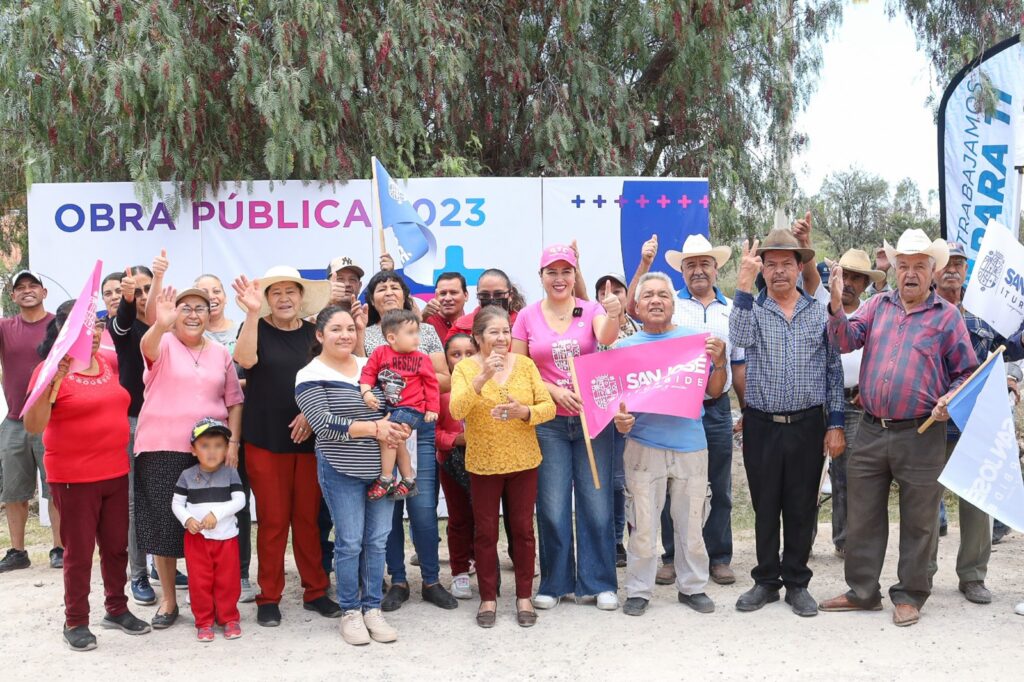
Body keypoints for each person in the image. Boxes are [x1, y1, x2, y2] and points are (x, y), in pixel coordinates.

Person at [820, 229, 978, 628]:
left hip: (923, 432)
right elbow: (844, 341)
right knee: (862, 514)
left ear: (933, 271)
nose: (909, 274)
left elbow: (967, 373)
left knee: (920, 519)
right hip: (871, 428)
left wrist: (951, 398)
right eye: (903, 265)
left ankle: (910, 594)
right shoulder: (876, 306)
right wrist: (837, 304)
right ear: (895, 268)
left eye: (918, 266)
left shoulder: (948, 317)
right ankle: (862, 591)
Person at [729, 228, 844, 618]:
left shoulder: (818, 311)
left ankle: (797, 582)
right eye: (771, 265)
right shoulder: (752, 308)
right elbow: (739, 337)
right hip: (761, 423)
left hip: (809, 423)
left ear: (799, 267)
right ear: (762, 270)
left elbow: (832, 368)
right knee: (765, 505)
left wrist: (836, 422)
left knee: (801, 505)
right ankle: (765, 580)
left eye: (787, 264)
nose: (779, 272)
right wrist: (744, 285)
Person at [24, 300, 151, 651]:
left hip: (115, 471)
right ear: (63, 331)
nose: (93, 333)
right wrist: (53, 384)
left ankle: (116, 609)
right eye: (84, 326)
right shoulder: (47, 371)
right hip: (73, 477)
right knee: (79, 553)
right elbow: (34, 426)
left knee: (116, 548)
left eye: (96, 325)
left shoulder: (108, 362)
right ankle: (76, 620)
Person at [511, 244, 621, 611]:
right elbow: (519, 370)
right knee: (553, 505)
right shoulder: (526, 316)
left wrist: (615, 313)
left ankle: (599, 581)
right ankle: (556, 582)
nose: (559, 279)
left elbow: (606, 337)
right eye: (551, 272)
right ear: (540, 276)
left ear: (576, 275)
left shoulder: (590, 309)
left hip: (592, 421)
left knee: (596, 502)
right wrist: (553, 390)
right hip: (549, 423)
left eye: (566, 271)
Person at [613, 272, 728, 616]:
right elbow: (615, 404)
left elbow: (715, 391)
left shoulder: (697, 342)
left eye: (662, 294)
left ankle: (692, 587)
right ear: (636, 306)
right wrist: (620, 421)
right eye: (648, 295)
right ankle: (638, 590)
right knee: (643, 525)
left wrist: (719, 360)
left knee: (692, 523)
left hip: (691, 445)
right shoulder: (622, 348)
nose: (655, 300)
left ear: (673, 302)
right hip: (643, 447)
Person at [295, 306, 410, 646]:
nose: (344, 335)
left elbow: (397, 403)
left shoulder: (369, 365)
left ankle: (372, 607)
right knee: (349, 542)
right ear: (320, 335)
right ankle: (350, 611)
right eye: (335, 329)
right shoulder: (309, 374)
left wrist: (400, 421)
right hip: (340, 469)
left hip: (382, 471)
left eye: (350, 328)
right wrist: (375, 428)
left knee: (377, 540)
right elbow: (323, 425)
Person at [232, 266, 339, 626]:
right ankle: (269, 597)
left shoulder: (314, 334)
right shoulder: (254, 327)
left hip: (311, 441)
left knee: (308, 520)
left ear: (300, 296)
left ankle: (316, 591)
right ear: (266, 300)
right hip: (264, 439)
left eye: (290, 292)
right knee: (274, 521)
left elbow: (328, 378)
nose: (283, 299)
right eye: (275, 293)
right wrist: (250, 313)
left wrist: (311, 415)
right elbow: (244, 362)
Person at [133, 286, 244, 629]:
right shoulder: (162, 343)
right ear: (175, 314)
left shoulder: (220, 353)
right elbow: (146, 347)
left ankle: (212, 599)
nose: (194, 314)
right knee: (165, 526)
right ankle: (168, 600)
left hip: (211, 452)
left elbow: (234, 399)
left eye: (201, 307)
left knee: (213, 524)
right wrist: (160, 324)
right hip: (163, 447)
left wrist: (234, 443)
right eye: (186, 308)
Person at [643, 234, 746, 587]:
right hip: (674, 408)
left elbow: (739, 364)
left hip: (716, 408)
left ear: (716, 269)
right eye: (691, 265)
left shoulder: (732, 310)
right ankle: (672, 556)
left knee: (718, 485)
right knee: (674, 484)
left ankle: (719, 556)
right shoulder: (669, 303)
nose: (698, 270)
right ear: (682, 272)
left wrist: (744, 410)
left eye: (704, 264)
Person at [927, 241, 1024, 605]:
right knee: (925, 505)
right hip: (932, 422)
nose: (952, 269)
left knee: (977, 503)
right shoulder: (924, 306)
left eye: (959, 264)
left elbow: (1008, 348)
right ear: (935, 268)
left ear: (967, 271)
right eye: (947, 263)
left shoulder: (985, 309)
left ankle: (973, 576)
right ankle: (923, 574)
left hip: (976, 422)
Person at [450, 306, 556, 627]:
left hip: (524, 460)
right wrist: (482, 377)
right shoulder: (466, 369)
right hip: (484, 463)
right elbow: (457, 411)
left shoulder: (524, 364)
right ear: (478, 337)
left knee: (523, 531)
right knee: (485, 533)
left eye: (506, 331)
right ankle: (488, 598)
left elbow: (548, 407)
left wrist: (524, 411)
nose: (501, 338)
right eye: (494, 332)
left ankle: (524, 595)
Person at [362, 270, 458, 611]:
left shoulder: (426, 331)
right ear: (371, 298)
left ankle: (431, 579)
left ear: (405, 294)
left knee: (422, 506)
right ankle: (398, 581)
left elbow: (443, 379)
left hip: (420, 426)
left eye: (394, 286)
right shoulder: (365, 335)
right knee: (388, 505)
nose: (388, 291)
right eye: (380, 287)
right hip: (383, 428)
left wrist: (408, 388)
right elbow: (359, 379)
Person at [194, 273, 255, 603]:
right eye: (203, 292)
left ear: (224, 296)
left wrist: (228, 383)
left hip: (237, 429)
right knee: (198, 503)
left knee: (237, 502)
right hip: (199, 434)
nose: (211, 296)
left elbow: (250, 376)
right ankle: (202, 573)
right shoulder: (185, 335)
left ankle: (241, 573)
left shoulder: (240, 331)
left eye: (216, 290)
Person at [822, 249, 886, 558]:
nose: (847, 283)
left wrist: (870, 388)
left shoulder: (873, 311)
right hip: (817, 399)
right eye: (843, 275)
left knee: (848, 474)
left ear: (864, 284)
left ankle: (845, 541)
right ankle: (800, 541)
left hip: (858, 402)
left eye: (855, 278)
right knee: (807, 474)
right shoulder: (820, 304)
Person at [0, 269, 60, 573]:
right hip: (14, 420)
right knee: (14, 491)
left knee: (56, 488)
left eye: (32, 285)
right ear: (13, 297)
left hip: (53, 418)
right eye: (20, 287)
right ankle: (18, 551)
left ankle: (59, 549)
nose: (27, 290)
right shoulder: (5, 326)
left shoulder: (58, 325)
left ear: (44, 292)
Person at [111, 263, 163, 603]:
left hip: (167, 421)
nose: (144, 297)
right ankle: (139, 575)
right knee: (133, 503)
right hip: (132, 422)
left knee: (164, 497)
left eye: (149, 289)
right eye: (138, 291)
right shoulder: (124, 329)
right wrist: (127, 299)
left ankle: (163, 564)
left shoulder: (171, 328)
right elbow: (124, 319)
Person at [172, 418, 246, 642]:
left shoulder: (231, 473)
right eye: (205, 446)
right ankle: (204, 621)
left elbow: (240, 500)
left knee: (228, 580)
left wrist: (218, 514)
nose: (212, 451)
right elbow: (176, 503)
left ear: (226, 448)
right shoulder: (186, 476)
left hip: (226, 538)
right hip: (198, 539)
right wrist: (188, 520)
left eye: (218, 445)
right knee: (200, 580)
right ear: (193, 450)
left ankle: (229, 618)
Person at [360, 309, 440, 500]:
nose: (416, 338)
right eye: (411, 333)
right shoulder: (380, 353)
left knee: (388, 435)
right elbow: (368, 373)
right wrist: (366, 392)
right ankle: (408, 480)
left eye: (417, 332)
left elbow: (432, 384)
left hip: (413, 409)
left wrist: (432, 409)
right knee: (399, 442)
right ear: (392, 337)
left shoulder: (422, 358)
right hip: (390, 407)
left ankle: (386, 479)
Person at [592, 272, 639, 567]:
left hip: (634, 413)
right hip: (601, 413)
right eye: (602, 293)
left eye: (618, 291)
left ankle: (634, 542)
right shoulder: (594, 328)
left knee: (628, 481)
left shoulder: (638, 327)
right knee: (609, 482)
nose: (610, 296)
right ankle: (612, 542)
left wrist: (645, 263)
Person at [436, 333, 475, 599]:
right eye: (456, 354)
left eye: (469, 353)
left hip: (487, 460)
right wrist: (455, 439)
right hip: (450, 461)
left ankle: (484, 567)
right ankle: (459, 571)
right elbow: (432, 431)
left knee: (484, 518)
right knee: (459, 518)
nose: (462, 360)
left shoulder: (492, 384)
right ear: (446, 359)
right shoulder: (440, 391)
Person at [446, 268, 527, 343]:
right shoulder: (460, 327)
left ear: (510, 296)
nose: (492, 300)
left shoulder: (525, 324)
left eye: (498, 294)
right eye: (485, 295)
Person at [423, 272, 470, 342]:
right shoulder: (425, 321)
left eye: (453, 292)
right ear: (436, 296)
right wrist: (421, 317)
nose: (447, 298)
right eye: (443, 293)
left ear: (466, 296)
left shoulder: (474, 324)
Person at [98, 271, 122, 370]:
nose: (114, 297)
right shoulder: (96, 329)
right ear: (103, 298)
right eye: (108, 294)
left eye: (119, 291)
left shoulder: (144, 323)